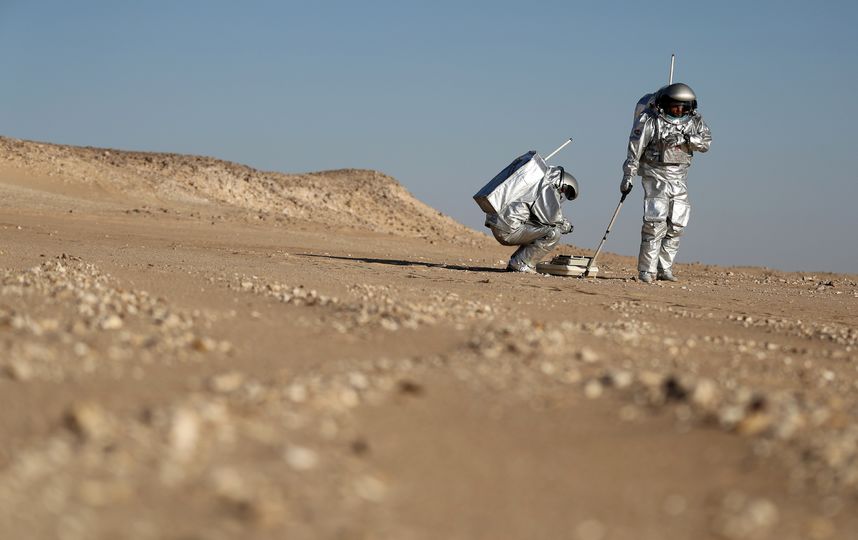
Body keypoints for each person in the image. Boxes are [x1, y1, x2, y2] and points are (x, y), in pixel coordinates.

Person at [620, 82, 712, 283]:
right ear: (665, 104)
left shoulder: (694, 122)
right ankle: (647, 270)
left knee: (677, 224)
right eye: (675, 105)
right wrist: (628, 175)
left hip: (679, 176)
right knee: (655, 223)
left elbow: (706, 142)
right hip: (655, 173)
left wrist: (686, 138)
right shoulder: (650, 121)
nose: (679, 110)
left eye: (683, 106)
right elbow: (635, 149)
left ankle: (664, 268)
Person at [486, 166, 578, 273]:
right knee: (553, 232)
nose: (561, 194)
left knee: (540, 228)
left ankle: (517, 262)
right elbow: (552, 219)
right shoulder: (546, 187)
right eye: (564, 190)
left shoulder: (534, 182)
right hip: (509, 229)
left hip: (500, 224)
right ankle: (521, 264)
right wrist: (567, 226)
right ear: (562, 183)